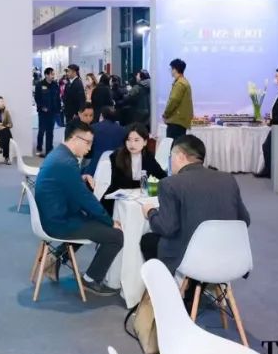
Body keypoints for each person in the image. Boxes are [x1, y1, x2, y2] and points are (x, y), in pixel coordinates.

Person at [33, 121, 123, 296]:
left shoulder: (59, 155)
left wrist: (79, 178)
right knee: (116, 236)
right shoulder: (67, 162)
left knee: (90, 220)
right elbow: (85, 199)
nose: (89, 148)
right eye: (88, 143)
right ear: (75, 138)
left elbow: (67, 184)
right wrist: (110, 221)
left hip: (51, 215)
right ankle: (90, 279)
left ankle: (56, 258)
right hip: (57, 222)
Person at [140, 135, 251, 274]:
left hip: (190, 258)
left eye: (171, 157)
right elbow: (244, 220)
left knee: (147, 241)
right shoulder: (228, 179)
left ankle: (172, 284)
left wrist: (150, 212)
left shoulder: (170, 184)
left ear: (180, 156)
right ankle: (196, 284)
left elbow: (166, 228)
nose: (171, 161)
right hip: (228, 253)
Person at [102, 124, 167, 215]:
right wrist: (144, 184)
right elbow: (119, 182)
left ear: (145, 142)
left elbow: (161, 176)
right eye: (128, 140)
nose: (132, 144)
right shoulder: (116, 156)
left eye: (136, 140)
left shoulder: (148, 156)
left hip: (140, 199)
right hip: (117, 200)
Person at [83, 107, 127, 176]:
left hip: (95, 168)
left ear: (101, 115)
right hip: (117, 169)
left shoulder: (93, 128)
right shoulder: (123, 130)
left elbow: (87, 153)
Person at [162, 58, 193, 141]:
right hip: (180, 121)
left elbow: (173, 100)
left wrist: (165, 114)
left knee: (173, 145)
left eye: (171, 69)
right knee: (178, 144)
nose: (171, 71)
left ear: (175, 69)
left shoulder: (180, 83)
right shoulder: (184, 82)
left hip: (176, 121)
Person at [34, 67, 61, 156]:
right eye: (52, 74)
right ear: (46, 75)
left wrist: (58, 109)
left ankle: (49, 150)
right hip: (43, 112)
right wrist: (42, 107)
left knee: (50, 132)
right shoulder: (39, 85)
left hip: (52, 112)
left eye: (53, 74)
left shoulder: (55, 85)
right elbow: (37, 98)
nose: (53, 76)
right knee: (41, 131)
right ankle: (39, 148)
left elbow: (57, 98)